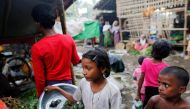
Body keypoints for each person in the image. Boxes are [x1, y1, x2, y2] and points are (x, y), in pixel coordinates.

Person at [46, 48, 121, 109]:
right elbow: (74, 99)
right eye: (83, 68)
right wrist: (57, 89)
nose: (84, 72)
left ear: (102, 68)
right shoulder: (83, 83)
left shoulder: (113, 91)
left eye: (88, 68)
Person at [31, 4, 80, 97]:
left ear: (38, 23)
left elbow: (40, 79)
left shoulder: (37, 48)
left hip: (51, 88)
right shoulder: (69, 39)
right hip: (68, 85)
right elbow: (76, 61)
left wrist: (41, 96)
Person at [135, 40, 172, 108]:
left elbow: (141, 79)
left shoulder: (145, 61)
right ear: (166, 54)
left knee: (147, 105)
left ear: (153, 50)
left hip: (148, 89)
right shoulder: (166, 67)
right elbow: (167, 84)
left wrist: (138, 93)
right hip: (160, 90)